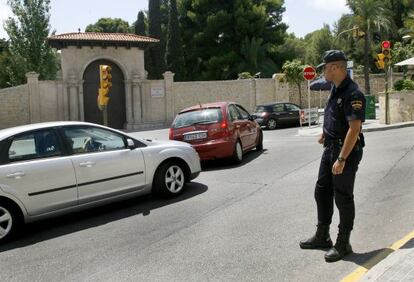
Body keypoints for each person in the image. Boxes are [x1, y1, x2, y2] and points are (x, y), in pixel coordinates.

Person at [299, 50, 366, 263]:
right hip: (329, 148)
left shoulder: (353, 93)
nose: (324, 72)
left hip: (344, 152)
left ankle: (343, 242)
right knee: (322, 191)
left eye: (326, 68)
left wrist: (342, 159)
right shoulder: (335, 89)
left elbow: (354, 129)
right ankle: (322, 235)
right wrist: (325, 133)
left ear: (336, 68)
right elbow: (336, 118)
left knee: (343, 197)